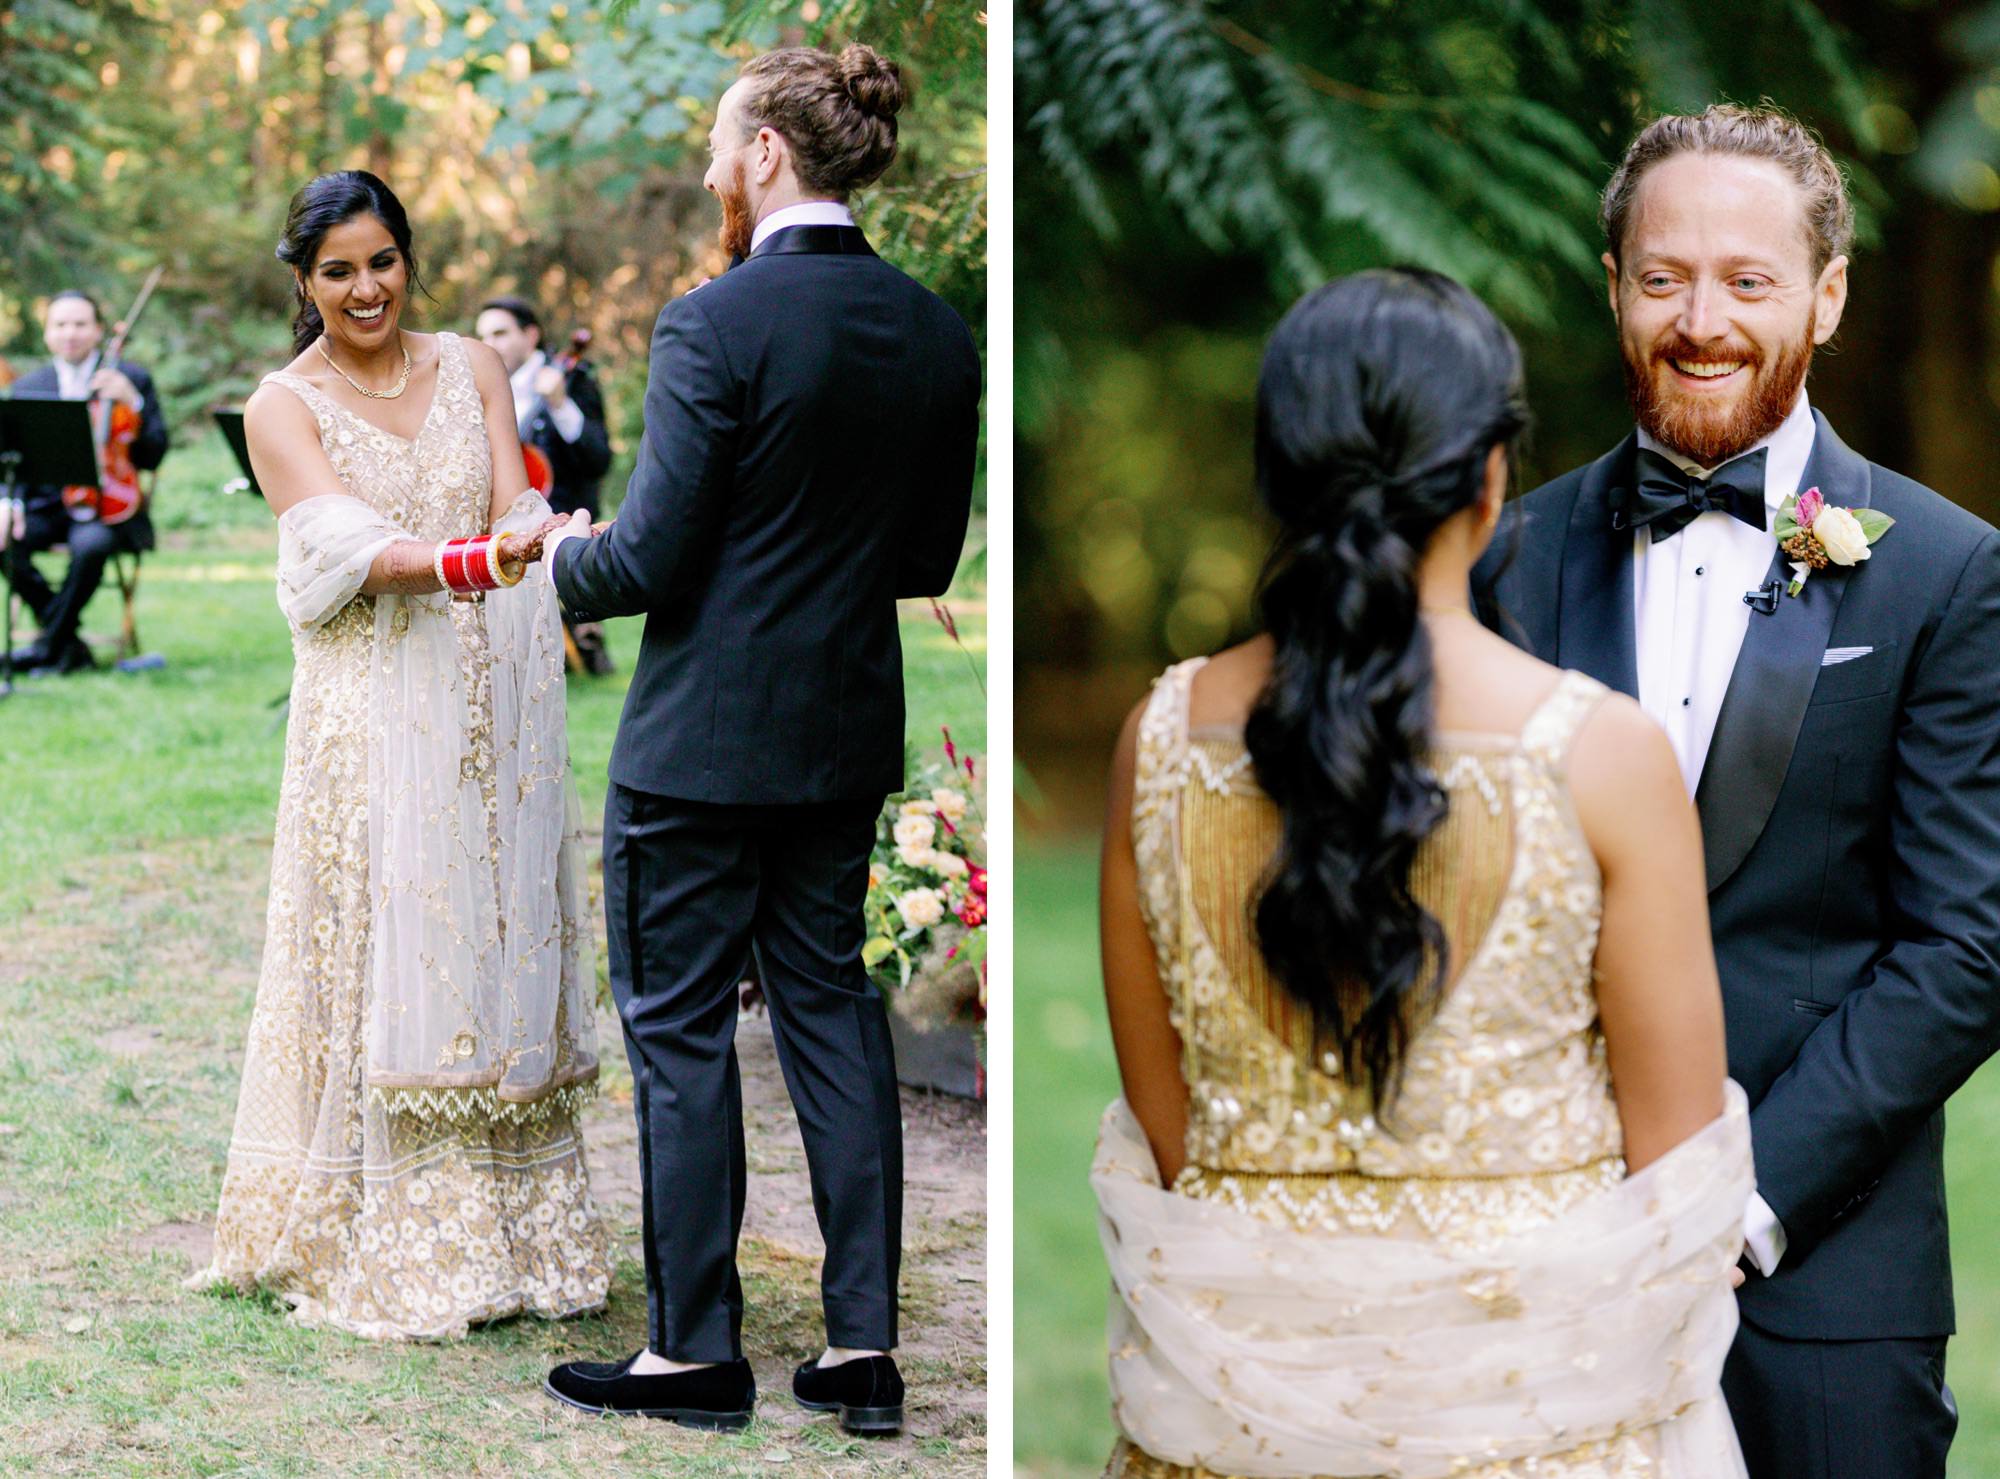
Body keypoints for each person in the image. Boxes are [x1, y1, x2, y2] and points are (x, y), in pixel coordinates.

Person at [1097, 269, 1754, 1477]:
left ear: (1279, 473)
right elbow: (1680, 1173)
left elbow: (1170, 1127)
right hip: (1537, 1412)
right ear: (1492, 474)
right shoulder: (1600, 754)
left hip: (1240, 1402)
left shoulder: (1162, 736)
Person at [1472, 104, 2000, 1479]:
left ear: (1825, 297)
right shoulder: (1503, 560)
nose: (1701, 318)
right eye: (1663, 277)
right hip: (1535, 1267)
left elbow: (1969, 941)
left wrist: (1741, 1196)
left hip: (1825, 1278)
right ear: (1613, 288)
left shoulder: (1948, 572)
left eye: (1749, 281)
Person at [539, 43, 980, 1433]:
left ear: (771, 154)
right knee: (834, 1019)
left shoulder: (712, 324)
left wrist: (560, 559)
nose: (716, 171)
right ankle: (863, 1351)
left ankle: (693, 1352)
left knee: (677, 1030)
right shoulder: (932, 328)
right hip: (843, 733)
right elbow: (920, 551)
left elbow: (651, 555)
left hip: (697, 750)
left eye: (727, 148)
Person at [186, 170, 607, 1340]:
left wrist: (563, 538)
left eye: (381, 261)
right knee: (392, 933)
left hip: (490, 700)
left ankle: (518, 1229)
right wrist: (476, 563)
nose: (365, 289)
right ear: (303, 281)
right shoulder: (283, 405)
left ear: (407, 258)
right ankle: (383, 1226)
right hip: (368, 711)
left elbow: (519, 501)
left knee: (488, 924)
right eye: (337, 271)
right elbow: (344, 547)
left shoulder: (474, 368)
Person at [2, 290, 169, 674]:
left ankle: (47, 648)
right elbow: (10, 457)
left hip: (109, 511)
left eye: (80, 324)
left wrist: (134, 404)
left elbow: (154, 454)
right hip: (48, 508)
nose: (70, 333)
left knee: (92, 545)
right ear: (47, 334)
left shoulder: (131, 378)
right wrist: (6, 504)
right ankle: (66, 644)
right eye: (60, 325)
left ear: (97, 330)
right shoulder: (30, 387)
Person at [474, 295, 616, 673]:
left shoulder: (574, 377)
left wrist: (559, 405)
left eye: (501, 333)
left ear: (531, 334)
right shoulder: (479, 390)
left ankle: (585, 642)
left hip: (566, 516)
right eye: (483, 335)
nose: (490, 344)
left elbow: (598, 458)